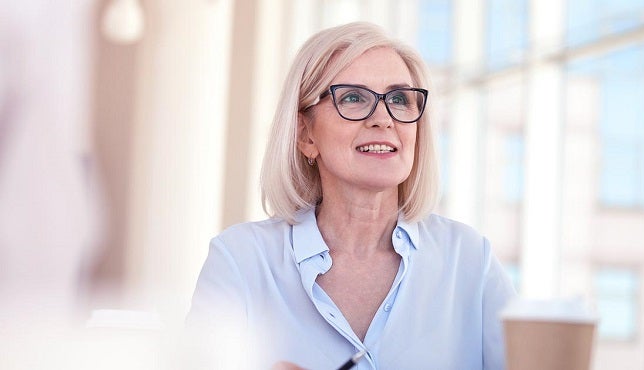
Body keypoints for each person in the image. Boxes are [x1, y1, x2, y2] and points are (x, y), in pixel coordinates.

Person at [187, 21, 516, 370]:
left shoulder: (470, 260)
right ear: (305, 135)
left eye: (400, 99)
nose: (383, 118)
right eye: (354, 98)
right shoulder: (241, 262)